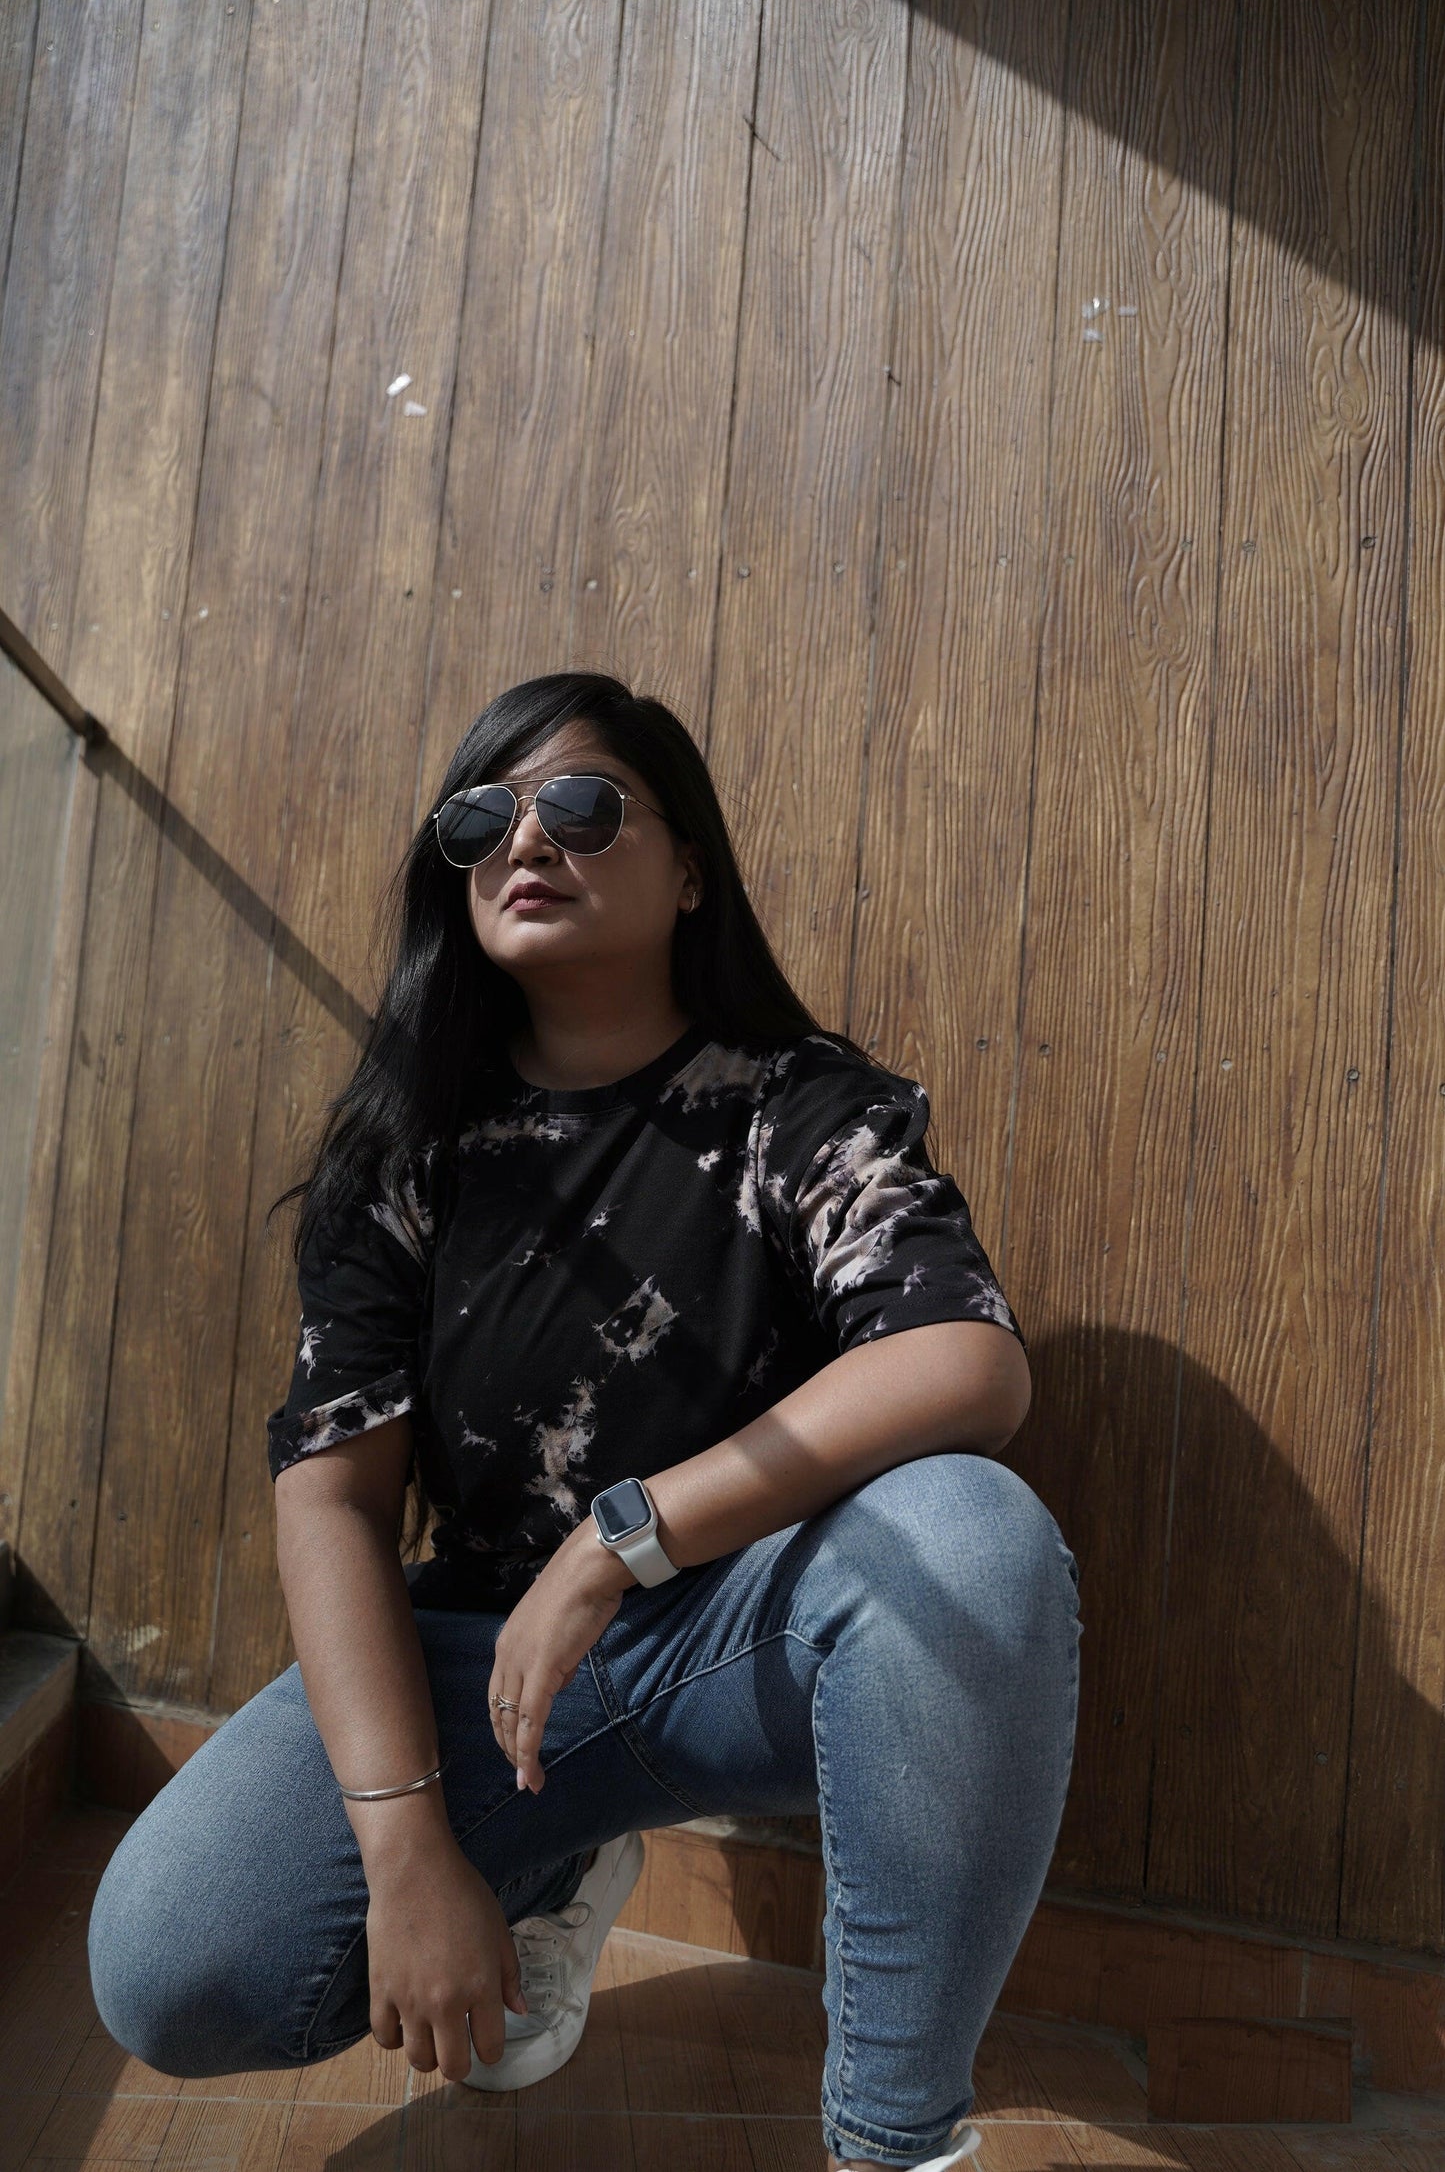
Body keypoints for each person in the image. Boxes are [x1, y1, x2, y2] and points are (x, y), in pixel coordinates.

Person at [87, 671, 1082, 2172]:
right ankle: (545, 1853)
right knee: (167, 1961)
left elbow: (963, 1360)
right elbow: (334, 1499)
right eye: (481, 818)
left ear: (690, 869)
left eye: (582, 806)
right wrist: (409, 1849)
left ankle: (894, 2141)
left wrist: (623, 1538)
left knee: (974, 1535)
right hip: (490, 1675)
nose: (524, 842)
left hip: (741, 1636)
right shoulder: (403, 1149)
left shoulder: (798, 1106)